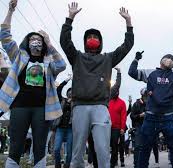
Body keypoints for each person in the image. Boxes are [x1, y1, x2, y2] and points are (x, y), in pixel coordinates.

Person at [60, 2, 134, 167]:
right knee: (78, 150)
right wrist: (69, 19)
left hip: (101, 108)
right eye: (89, 37)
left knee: (102, 150)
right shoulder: (76, 57)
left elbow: (126, 47)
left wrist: (128, 24)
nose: (92, 39)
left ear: (100, 42)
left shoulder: (107, 58)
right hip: (79, 107)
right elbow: (65, 42)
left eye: (96, 37)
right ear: (85, 42)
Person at [0, 0, 66, 167]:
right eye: (32, 39)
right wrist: (10, 11)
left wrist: (50, 44)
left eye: (39, 39)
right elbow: (4, 35)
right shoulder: (19, 56)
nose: (36, 41)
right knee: (15, 146)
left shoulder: (48, 62)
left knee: (39, 148)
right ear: (27, 42)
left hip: (42, 109)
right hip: (19, 106)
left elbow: (62, 65)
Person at [128, 35, 173, 168]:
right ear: (161, 61)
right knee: (145, 149)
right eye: (167, 58)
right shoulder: (150, 73)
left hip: (169, 118)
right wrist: (136, 59)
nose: (170, 60)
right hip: (151, 117)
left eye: (172, 59)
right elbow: (132, 72)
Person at [109, 68, 127, 167]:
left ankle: (113, 162)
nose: (115, 92)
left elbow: (124, 116)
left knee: (115, 146)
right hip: (107, 127)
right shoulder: (108, 100)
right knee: (108, 145)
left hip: (116, 128)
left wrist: (122, 128)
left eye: (117, 91)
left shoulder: (122, 103)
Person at [54, 78, 73, 168]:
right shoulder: (62, 100)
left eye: (72, 92)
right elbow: (58, 89)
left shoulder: (76, 103)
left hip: (70, 129)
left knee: (69, 151)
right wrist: (66, 80)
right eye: (69, 91)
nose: (70, 93)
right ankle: (57, 165)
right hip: (60, 127)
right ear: (67, 93)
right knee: (56, 149)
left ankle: (67, 165)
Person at [130, 88, 148, 168]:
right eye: (146, 95)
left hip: (148, 127)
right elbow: (132, 116)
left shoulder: (150, 104)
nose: (147, 97)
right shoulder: (136, 104)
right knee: (138, 146)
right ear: (143, 95)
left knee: (146, 147)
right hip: (139, 126)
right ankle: (136, 165)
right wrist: (140, 115)